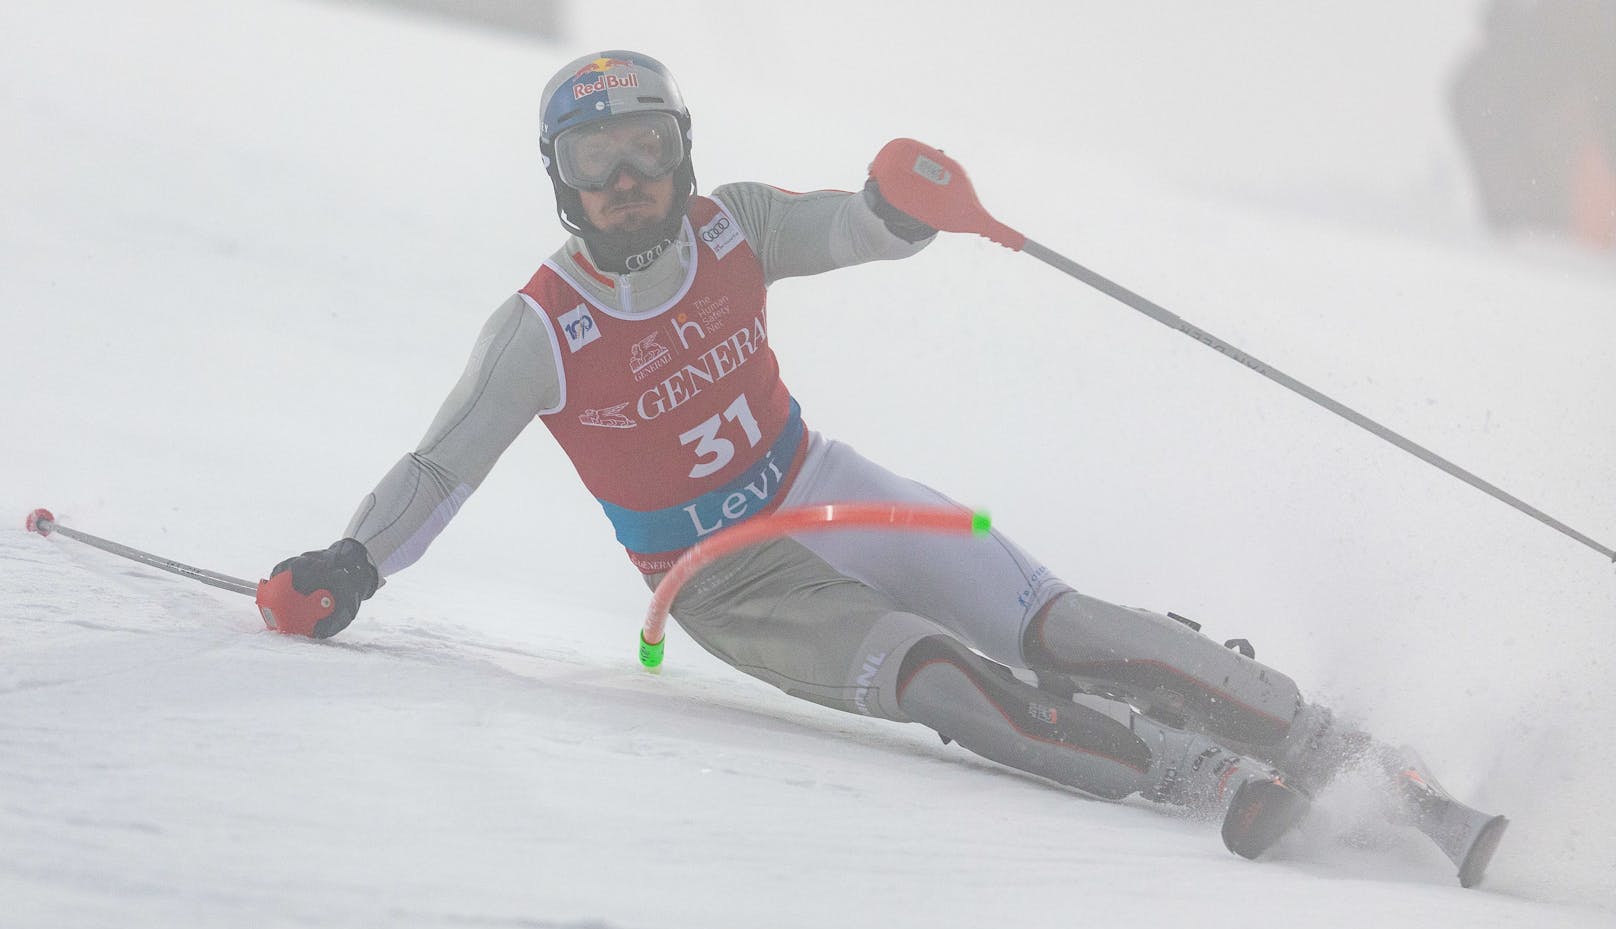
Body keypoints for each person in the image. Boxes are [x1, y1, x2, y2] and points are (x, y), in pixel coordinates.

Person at [258, 51, 1507, 882]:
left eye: (642, 149)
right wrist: (350, 565)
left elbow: (852, 227)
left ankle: (1351, 754)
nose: (625, 182)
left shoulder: (730, 223)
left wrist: (903, 204)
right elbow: (438, 469)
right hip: (723, 582)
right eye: (594, 164)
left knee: (1061, 628)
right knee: (942, 682)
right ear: (560, 184)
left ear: (681, 152)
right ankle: (1195, 767)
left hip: (824, 486)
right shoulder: (538, 329)